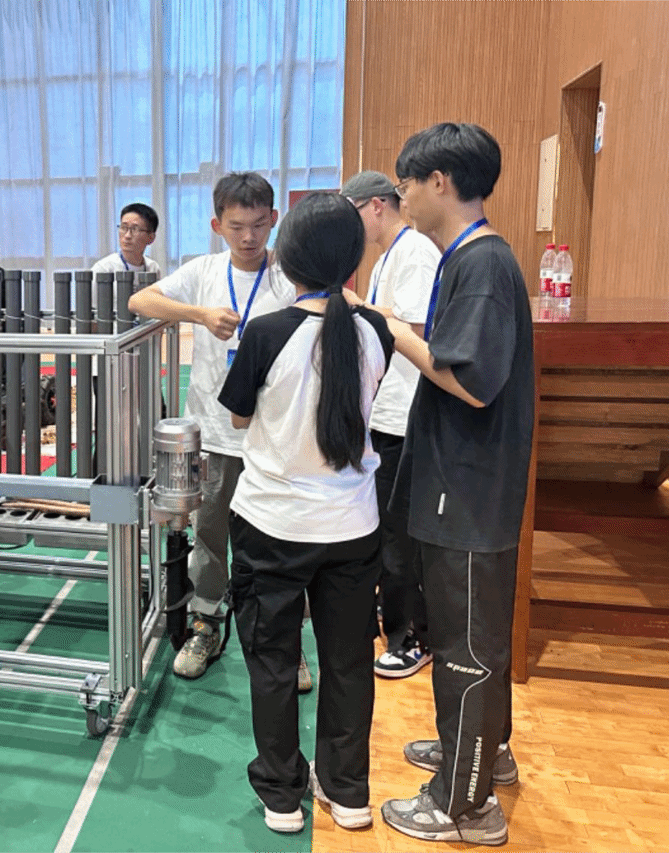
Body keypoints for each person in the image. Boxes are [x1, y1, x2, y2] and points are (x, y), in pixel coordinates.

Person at [372, 123, 533, 847]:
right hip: (463, 482)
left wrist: (394, 331)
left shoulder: (484, 264)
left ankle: (465, 807)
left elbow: (470, 381)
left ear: (440, 182)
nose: (400, 196)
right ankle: (483, 754)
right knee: (476, 636)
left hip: (469, 489)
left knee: (467, 646)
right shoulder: (467, 258)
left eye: (406, 183)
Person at [219, 192, 391, 834]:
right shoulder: (375, 330)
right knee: (348, 662)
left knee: (272, 661)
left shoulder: (267, 332)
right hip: (352, 526)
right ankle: (348, 793)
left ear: (286, 258)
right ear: (353, 259)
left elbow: (239, 417)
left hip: (273, 524)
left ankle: (282, 796)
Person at [128, 172, 304, 688]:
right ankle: (206, 623)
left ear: (274, 219)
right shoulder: (203, 272)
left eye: (259, 225)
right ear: (216, 225)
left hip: (275, 438)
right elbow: (141, 302)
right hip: (215, 435)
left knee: (278, 541)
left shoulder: (289, 275)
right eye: (236, 226)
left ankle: (284, 643)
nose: (249, 237)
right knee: (209, 534)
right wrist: (198, 315)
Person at [341, 170, 440, 679]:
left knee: (401, 538)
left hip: (406, 414)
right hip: (384, 412)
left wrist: (356, 305)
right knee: (384, 530)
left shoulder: (416, 252)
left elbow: (416, 328)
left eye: (353, 214)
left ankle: (412, 638)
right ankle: (393, 619)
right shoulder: (385, 258)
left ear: (376, 206)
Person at [91, 203, 162, 278]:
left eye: (135, 229)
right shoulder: (104, 269)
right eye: (124, 227)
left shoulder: (153, 268)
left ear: (151, 238)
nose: (127, 235)